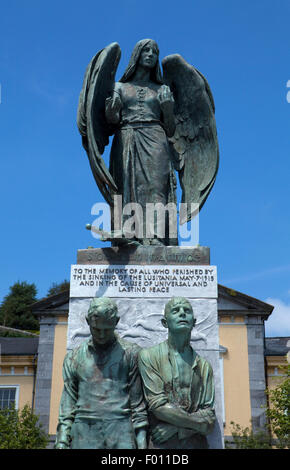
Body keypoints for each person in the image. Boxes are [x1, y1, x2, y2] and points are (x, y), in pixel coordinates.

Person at [105, 39, 178, 245]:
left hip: (156, 137)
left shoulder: (161, 89)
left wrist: (168, 109)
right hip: (127, 136)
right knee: (125, 186)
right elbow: (111, 122)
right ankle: (128, 236)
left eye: (155, 51)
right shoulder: (120, 87)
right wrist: (112, 110)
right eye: (146, 50)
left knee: (157, 187)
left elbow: (171, 129)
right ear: (137, 54)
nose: (151, 54)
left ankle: (155, 238)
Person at [55, 297, 148, 449]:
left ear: (116, 322)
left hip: (121, 430)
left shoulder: (132, 354)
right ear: (87, 321)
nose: (102, 335)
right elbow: (68, 402)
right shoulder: (74, 357)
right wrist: (62, 439)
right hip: (84, 431)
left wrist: (142, 442)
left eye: (107, 329)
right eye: (97, 329)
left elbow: (138, 405)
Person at [138, 297, 216, 449]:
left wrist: (178, 429)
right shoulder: (149, 356)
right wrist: (197, 424)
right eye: (176, 311)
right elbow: (158, 407)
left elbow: (209, 418)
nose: (182, 314)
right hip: (161, 445)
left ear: (193, 322)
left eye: (187, 311)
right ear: (165, 323)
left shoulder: (204, 366)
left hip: (196, 445)